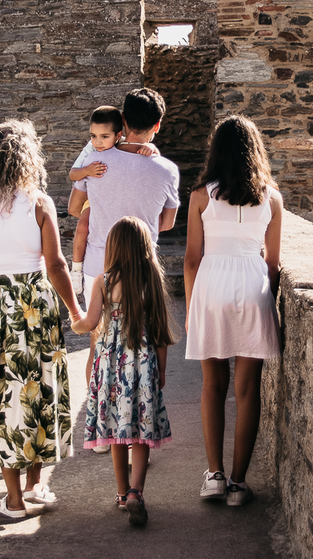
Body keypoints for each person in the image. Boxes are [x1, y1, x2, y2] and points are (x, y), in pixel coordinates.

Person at [0, 119, 83, 519]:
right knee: (34, 389)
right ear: (28, 160)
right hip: (32, 303)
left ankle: (15, 500)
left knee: (0, 397)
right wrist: (75, 310)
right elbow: (56, 265)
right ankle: (35, 486)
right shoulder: (39, 203)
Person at [68, 88, 180, 448]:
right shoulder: (166, 169)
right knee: (142, 345)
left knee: (98, 348)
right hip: (143, 271)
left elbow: (73, 208)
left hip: (100, 265)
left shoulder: (98, 158)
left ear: (123, 123)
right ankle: (137, 427)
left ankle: (100, 427)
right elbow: (166, 224)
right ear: (158, 126)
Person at [183, 115, 283, 507]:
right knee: (247, 390)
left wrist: (193, 309)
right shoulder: (272, 199)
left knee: (213, 386)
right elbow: (273, 263)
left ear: (216, 151)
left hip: (211, 286)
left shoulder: (201, 196)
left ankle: (215, 476)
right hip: (253, 284)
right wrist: (263, 298)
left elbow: (191, 260)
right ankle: (239, 485)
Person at [72, 217, 176, 526]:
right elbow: (159, 332)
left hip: (111, 365)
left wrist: (74, 320)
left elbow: (89, 323)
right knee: (142, 432)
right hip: (143, 365)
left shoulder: (103, 281)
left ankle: (120, 492)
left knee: (116, 429)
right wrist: (162, 372)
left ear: (113, 248)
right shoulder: (151, 281)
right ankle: (136, 492)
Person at [66, 105, 158, 297]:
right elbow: (73, 173)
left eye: (104, 137)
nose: (98, 142)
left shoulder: (125, 146)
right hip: (92, 198)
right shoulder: (90, 150)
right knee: (83, 226)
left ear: (118, 135)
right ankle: (76, 269)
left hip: (114, 197)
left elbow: (143, 155)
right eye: (93, 136)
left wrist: (151, 147)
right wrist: (87, 171)